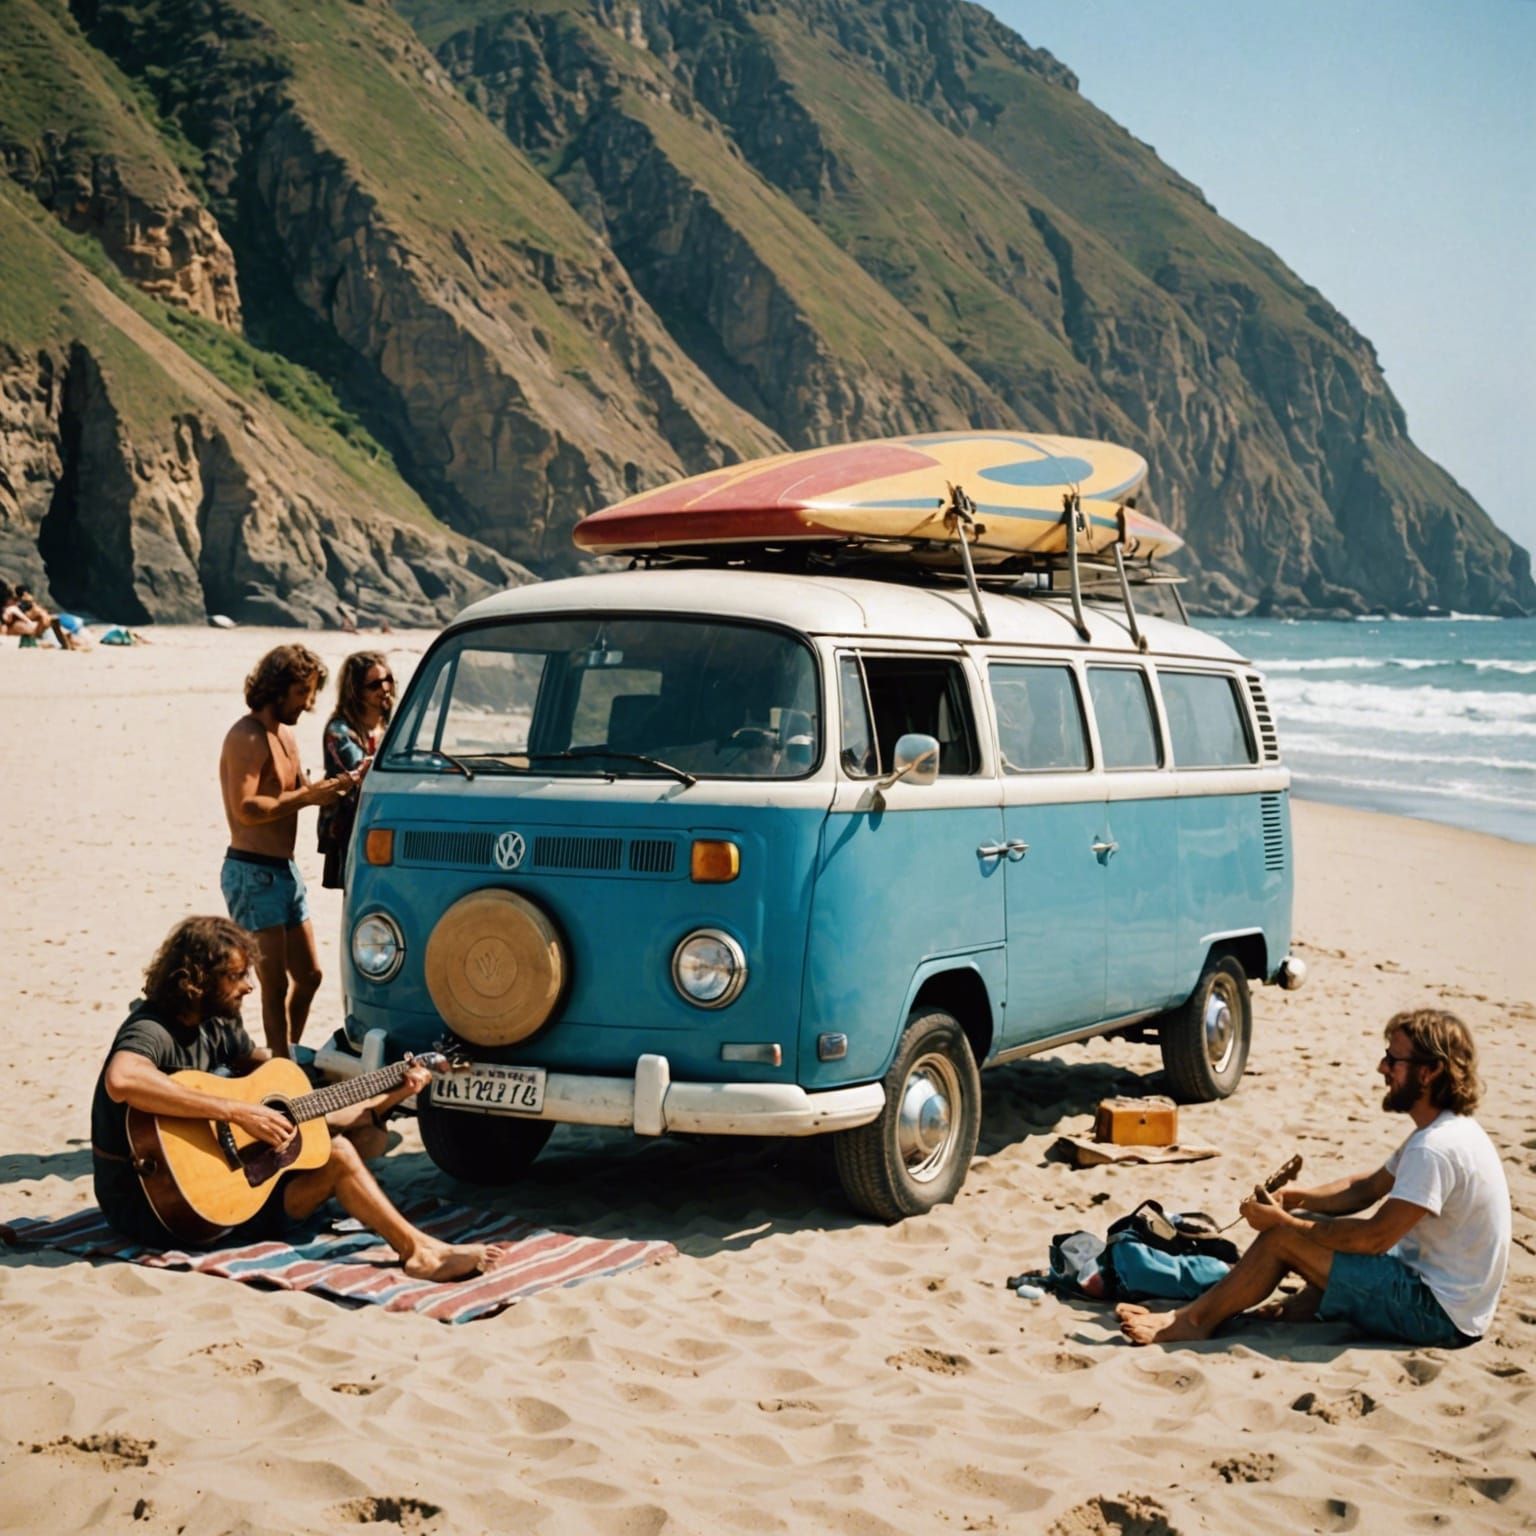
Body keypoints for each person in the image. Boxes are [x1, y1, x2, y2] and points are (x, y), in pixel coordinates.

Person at [91, 916, 488, 1279]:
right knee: (338, 1154)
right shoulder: (152, 1030)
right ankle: (419, 1253)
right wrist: (236, 1112)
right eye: (236, 976)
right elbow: (122, 1079)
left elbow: (270, 1074)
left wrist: (391, 1082)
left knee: (355, 1133)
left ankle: (417, 1240)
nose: (248, 985)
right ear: (198, 978)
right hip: (150, 1207)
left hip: (215, 1192)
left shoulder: (217, 1025)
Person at [1118, 1008, 1510, 1348]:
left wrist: (1284, 1223)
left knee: (1282, 1238)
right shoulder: (1444, 1131)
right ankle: (1291, 1307)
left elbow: (1373, 1239)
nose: (1382, 1068)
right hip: (1448, 1298)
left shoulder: (1435, 1148)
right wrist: (1296, 1198)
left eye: (1394, 1060)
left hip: (1438, 1315)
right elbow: (1366, 1188)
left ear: (1431, 1071)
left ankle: (1193, 1321)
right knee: (1305, 1227)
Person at [219, 644, 356, 1057]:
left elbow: (301, 792)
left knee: (309, 976)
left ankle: (287, 1051)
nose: (308, 704)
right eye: (301, 693)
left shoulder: (287, 736)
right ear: (276, 688)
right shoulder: (246, 736)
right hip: (252, 872)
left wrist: (339, 787)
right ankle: (281, 1062)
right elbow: (246, 809)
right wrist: (309, 797)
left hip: (285, 871)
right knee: (274, 983)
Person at [318, 651, 395, 889]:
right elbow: (360, 770)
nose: (384, 689)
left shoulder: (392, 725)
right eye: (374, 685)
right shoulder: (339, 731)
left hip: (386, 818)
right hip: (351, 825)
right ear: (357, 691)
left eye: (388, 680)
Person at [2, 581, 79, 650]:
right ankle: (67, 644)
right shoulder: (12, 609)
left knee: (67, 635)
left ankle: (71, 644)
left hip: (42, 628)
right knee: (47, 620)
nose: (16, 601)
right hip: (39, 631)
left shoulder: (20, 608)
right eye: (14, 598)